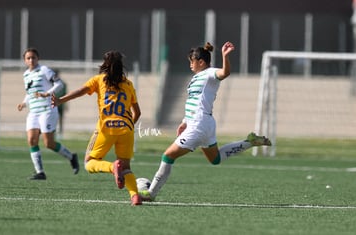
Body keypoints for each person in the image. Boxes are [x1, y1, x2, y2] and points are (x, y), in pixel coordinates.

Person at [140, 41, 272, 201]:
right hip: (205, 122)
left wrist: (225, 56)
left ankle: (151, 193)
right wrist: (184, 121)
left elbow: (225, 73)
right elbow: (194, 101)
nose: (190, 64)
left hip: (200, 123)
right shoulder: (196, 78)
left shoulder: (210, 73)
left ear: (201, 62)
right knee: (215, 159)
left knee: (168, 156)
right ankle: (250, 142)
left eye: (192, 61)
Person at [51, 50, 142, 205]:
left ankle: (112, 167)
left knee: (89, 162)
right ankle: (135, 196)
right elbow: (138, 113)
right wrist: (127, 127)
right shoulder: (128, 84)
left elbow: (81, 91)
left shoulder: (99, 80)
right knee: (126, 167)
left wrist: (61, 100)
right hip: (127, 129)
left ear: (104, 64)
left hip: (107, 128)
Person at [17, 48, 79, 180]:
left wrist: (47, 93)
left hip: (47, 110)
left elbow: (59, 84)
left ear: (38, 58)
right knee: (31, 140)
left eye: (33, 57)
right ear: (25, 60)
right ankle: (40, 172)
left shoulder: (44, 70)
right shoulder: (26, 74)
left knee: (48, 143)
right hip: (33, 111)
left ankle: (71, 157)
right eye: (28, 58)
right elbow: (29, 92)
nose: (31, 60)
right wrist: (24, 103)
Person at [54, 70, 67, 138]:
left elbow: (65, 94)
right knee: (54, 119)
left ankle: (61, 132)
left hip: (61, 104)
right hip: (54, 104)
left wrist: (66, 104)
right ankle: (54, 132)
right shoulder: (52, 83)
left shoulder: (63, 84)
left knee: (61, 119)